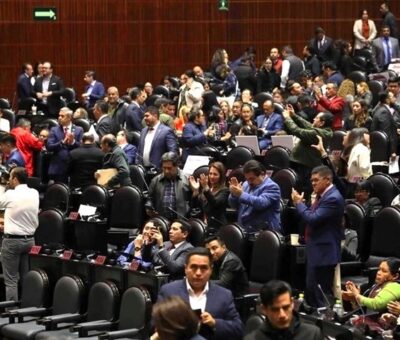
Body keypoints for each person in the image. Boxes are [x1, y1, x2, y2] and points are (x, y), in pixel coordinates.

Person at [157, 247, 243, 340]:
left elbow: (238, 329)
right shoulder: (168, 291)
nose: (198, 273)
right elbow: (154, 324)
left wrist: (214, 323)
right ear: (186, 268)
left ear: (210, 270)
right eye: (193, 267)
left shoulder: (224, 295)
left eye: (204, 268)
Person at [291, 165, 345, 307]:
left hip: (324, 253)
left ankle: (328, 325)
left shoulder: (332, 198)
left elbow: (313, 219)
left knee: (321, 295)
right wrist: (302, 205)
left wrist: (298, 204)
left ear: (327, 179)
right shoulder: (324, 196)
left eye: (316, 180)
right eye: (311, 180)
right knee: (312, 291)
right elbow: (312, 215)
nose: (313, 183)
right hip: (316, 251)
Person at [0, 167, 39, 301]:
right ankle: (28, 308)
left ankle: (10, 313)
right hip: (30, 241)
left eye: (10, 177)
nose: (9, 180)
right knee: (25, 277)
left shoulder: (11, 194)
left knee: (11, 280)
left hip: (12, 242)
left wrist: (3, 187)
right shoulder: (34, 193)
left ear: (15, 179)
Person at [244, 280, 323, 340]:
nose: (282, 315)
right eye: (275, 309)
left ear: (292, 303)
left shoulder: (312, 334)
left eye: (285, 307)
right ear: (264, 309)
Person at [229, 160, 281, 233]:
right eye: (247, 179)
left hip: (264, 233)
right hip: (244, 231)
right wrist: (234, 194)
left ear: (262, 174)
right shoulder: (246, 184)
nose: (249, 182)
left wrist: (240, 194)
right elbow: (233, 205)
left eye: (251, 179)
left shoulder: (272, 187)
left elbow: (261, 203)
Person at [146, 152, 190, 221]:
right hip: (162, 221)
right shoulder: (155, 180)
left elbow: (193, 201)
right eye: (164, 168)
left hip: (181, 222)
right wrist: (149, 207)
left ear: (177, 166)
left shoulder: (187, 179)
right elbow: (150, 198)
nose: (166, 171)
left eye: (169, 168)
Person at [46, 107, 84, 183]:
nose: (59, 118)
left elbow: (82, 148)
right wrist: (62, 142)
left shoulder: (79, 130)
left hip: (74, 167)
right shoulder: (54, 129)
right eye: (59, 115)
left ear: (69, 117)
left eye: (62, 116)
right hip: (58, 168)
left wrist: (73, 142)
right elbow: (49, 147)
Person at [189, 162, 229, 231]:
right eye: (210, 173)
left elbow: (215, 203)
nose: (212, 176)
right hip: (204, 226)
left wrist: (205, 187)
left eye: (215, 174)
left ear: (221, 176)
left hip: (218, 227)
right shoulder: (208, 189)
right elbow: (195, 206)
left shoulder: (225, 190)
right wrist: (195, 191)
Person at [136, 106, 178, 170]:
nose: (145, 118)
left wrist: (166, 168)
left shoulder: (166, 131)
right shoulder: (143, 131)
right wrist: (138, 164)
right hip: (143, 169)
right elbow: (139, 151)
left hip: (159, 170)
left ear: (155, 116)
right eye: (144, 116)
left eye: (147, 116)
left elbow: (173, 152)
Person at [371, 91, 398, 162]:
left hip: (380, 147)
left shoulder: (380, 109)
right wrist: (392, 150)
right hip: (385, 149)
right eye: (392, 97)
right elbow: (386, 132)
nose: (395, 99)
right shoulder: (384, 112)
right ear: (387, 100)